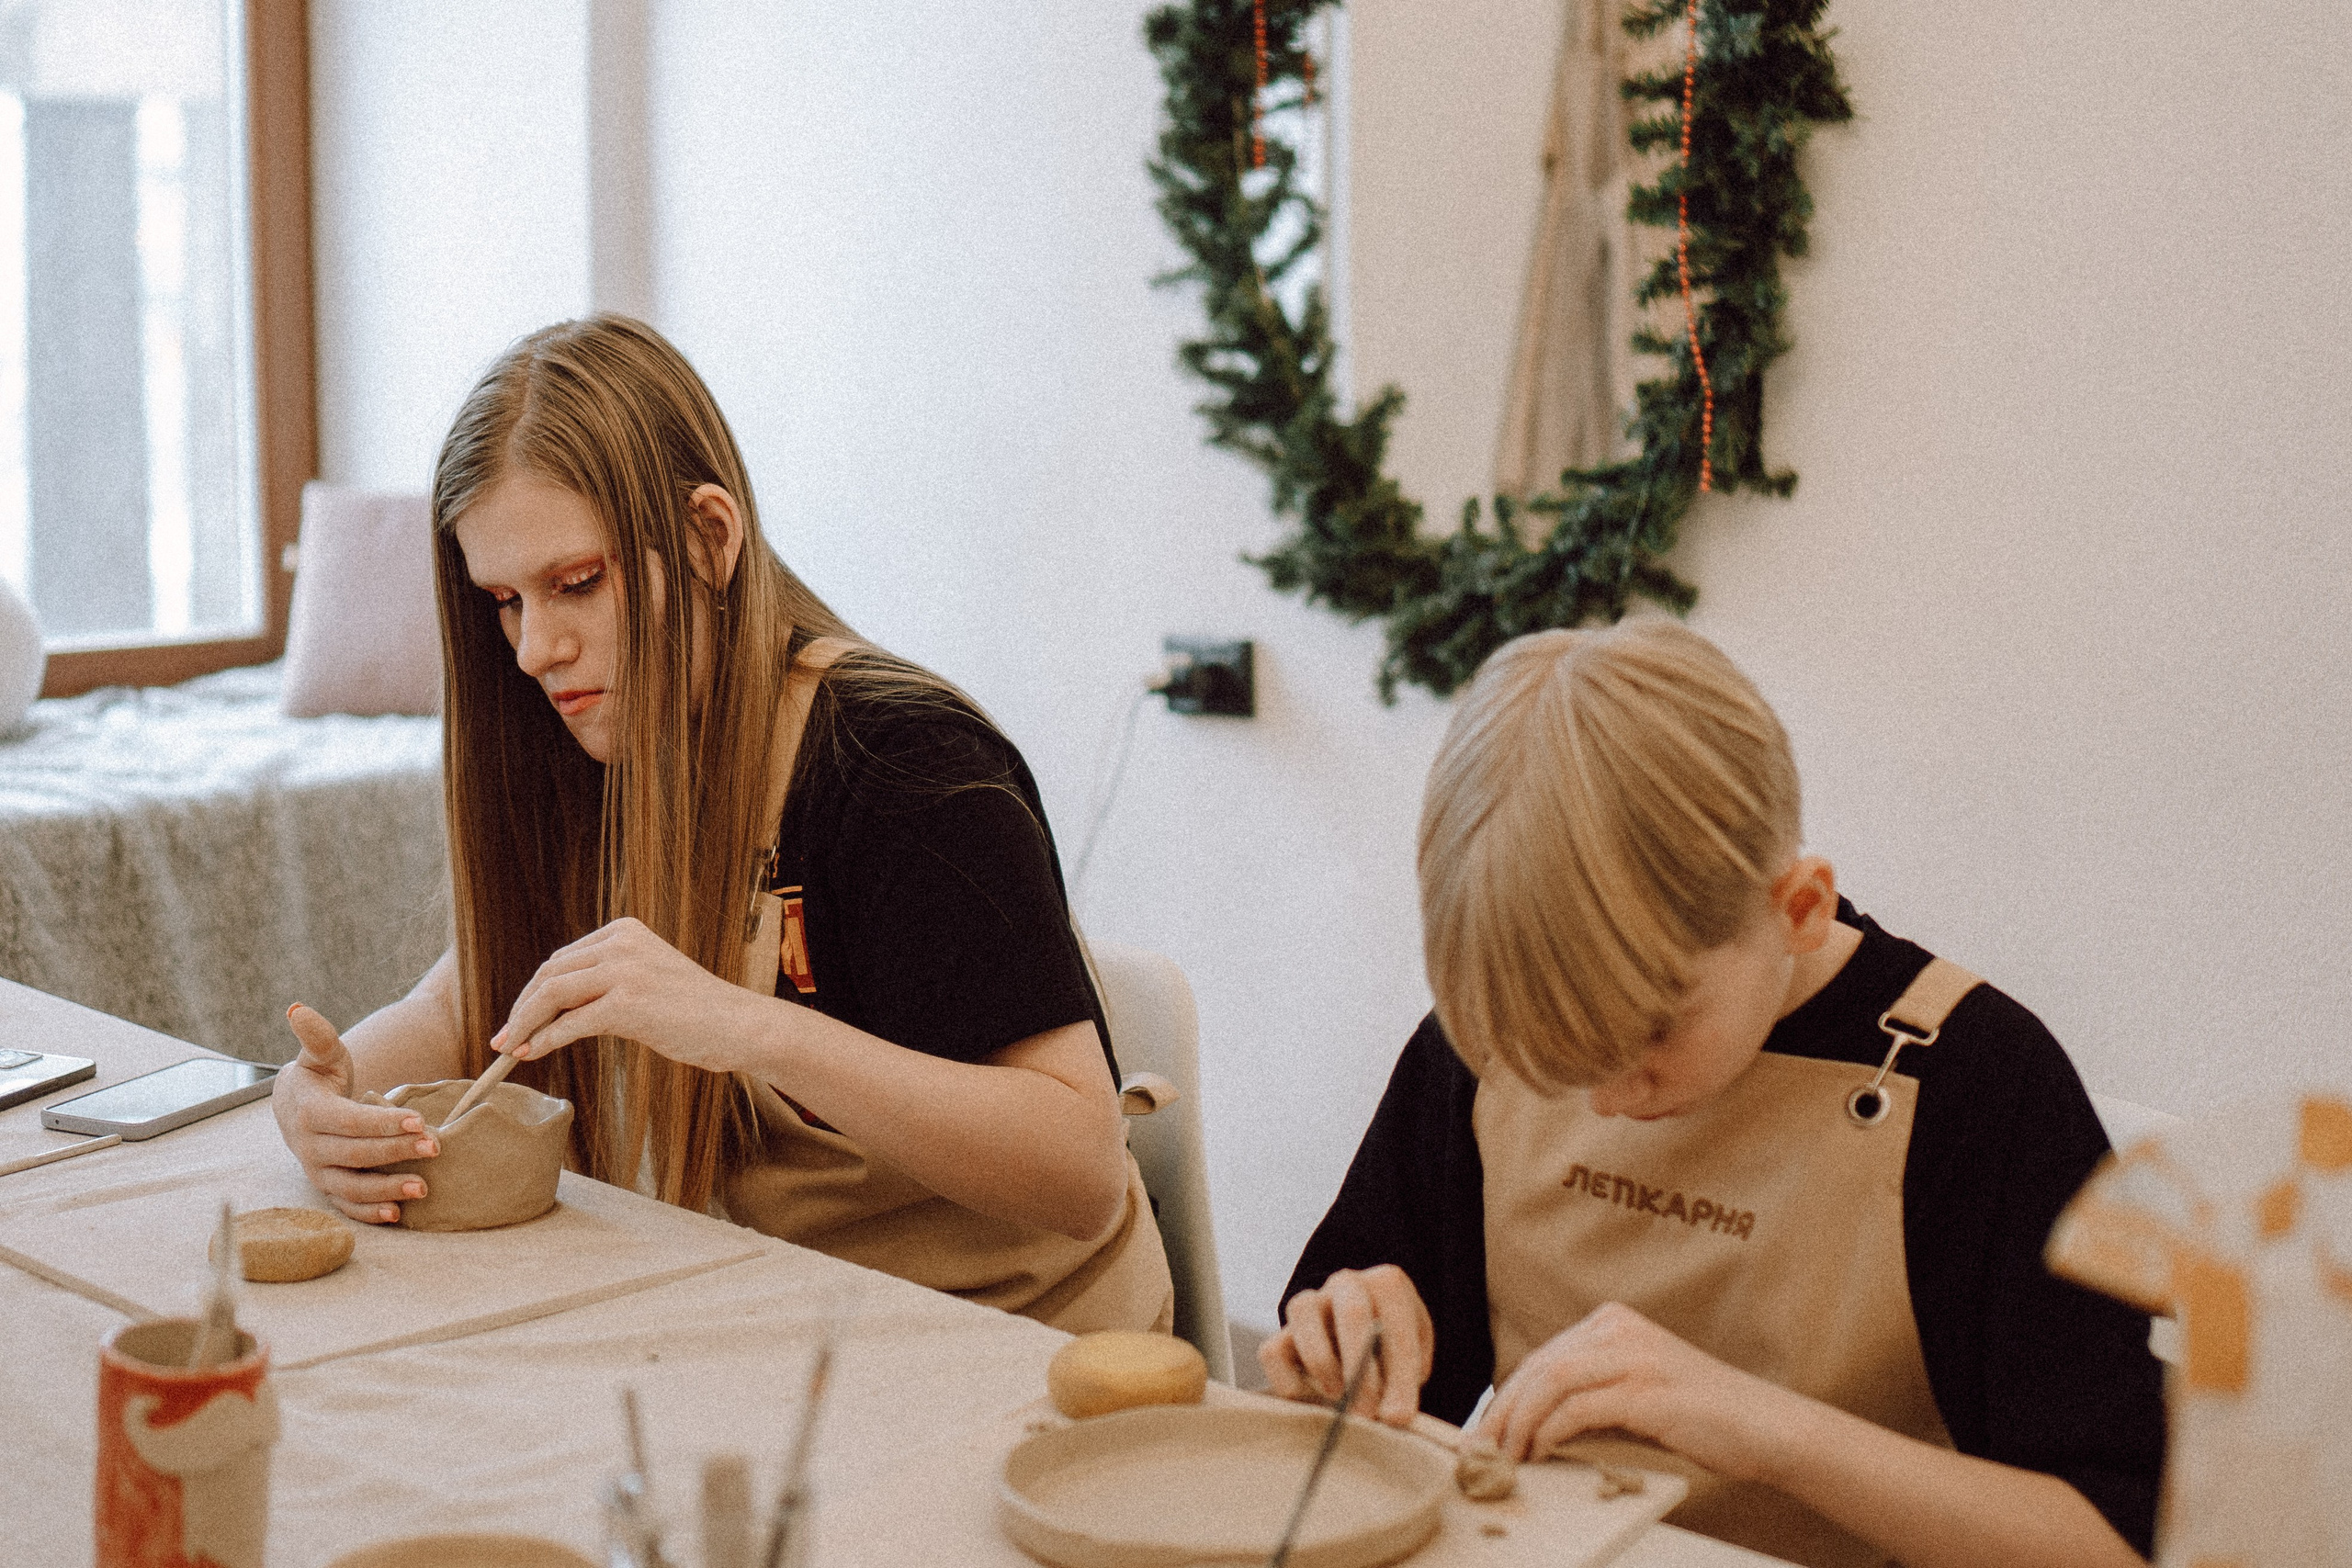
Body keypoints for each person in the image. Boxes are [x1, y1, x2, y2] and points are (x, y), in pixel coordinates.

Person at [271, 315, 1171, 1335]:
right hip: (799, 1320)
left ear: (710, 538)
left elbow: (1078, 1166)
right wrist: (323, 1097)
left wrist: (744, 1024)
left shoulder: (904, 766)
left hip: (1020, 1346)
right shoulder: (603, 742)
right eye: (506, 602)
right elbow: (465, 1006)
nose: (535, 651)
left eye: (577, 585)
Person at [1261, 622, 2165, 1568]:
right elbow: (1375, 1402)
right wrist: (1343, 1342)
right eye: (1557, 1062)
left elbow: (2109, 1541)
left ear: (1799, 908)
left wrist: (1763, 1428)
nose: (1606, 1101)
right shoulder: (1497, 1032)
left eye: (1650, 1033)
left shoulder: (1978, 1085)